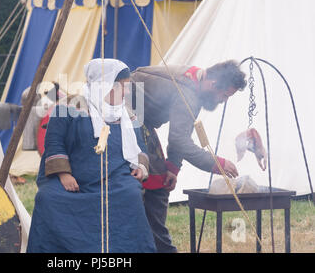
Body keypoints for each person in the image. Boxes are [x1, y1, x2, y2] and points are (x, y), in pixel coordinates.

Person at [27, 58, 156, 253]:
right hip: (74, 177)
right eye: (123, 87)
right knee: (47, 198)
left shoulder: (127, 113)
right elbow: (54, 142)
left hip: (115, 178)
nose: (128, 91)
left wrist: (141, 166)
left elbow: (139, 146)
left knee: (130, 195)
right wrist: (64, 175)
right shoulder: (67, 108)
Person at [126, 60, 247, 253]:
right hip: (124, 118)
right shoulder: (188, 92)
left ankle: (156, 245)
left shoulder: (196, 80)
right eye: (224, 95)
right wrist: (216, 163)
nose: (223, 101)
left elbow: (181, 132)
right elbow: (180, 140)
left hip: (141, 121)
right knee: (154, 185)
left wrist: (173, 167)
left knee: (160, 181)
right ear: (213, 84)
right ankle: (158, 247)